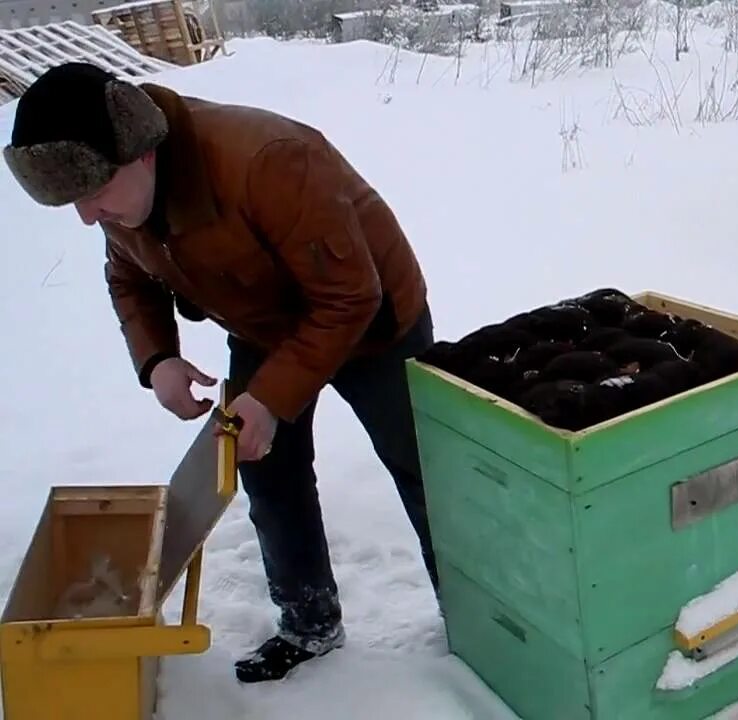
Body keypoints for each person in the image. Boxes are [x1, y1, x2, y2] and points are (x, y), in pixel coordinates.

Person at [2, 62, 441, 684]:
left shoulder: (267, 161)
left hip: (372, 323)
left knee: (426, 470)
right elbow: (128, 276)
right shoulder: (124, 205)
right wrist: (158, 360)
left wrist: (271, 395)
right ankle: (308, 623)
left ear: (142, 153)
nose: (86, 215)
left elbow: (348, 297)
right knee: (265, 469)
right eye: (73, 199)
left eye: (92, 191)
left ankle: (479, 618)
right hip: (263, 324)